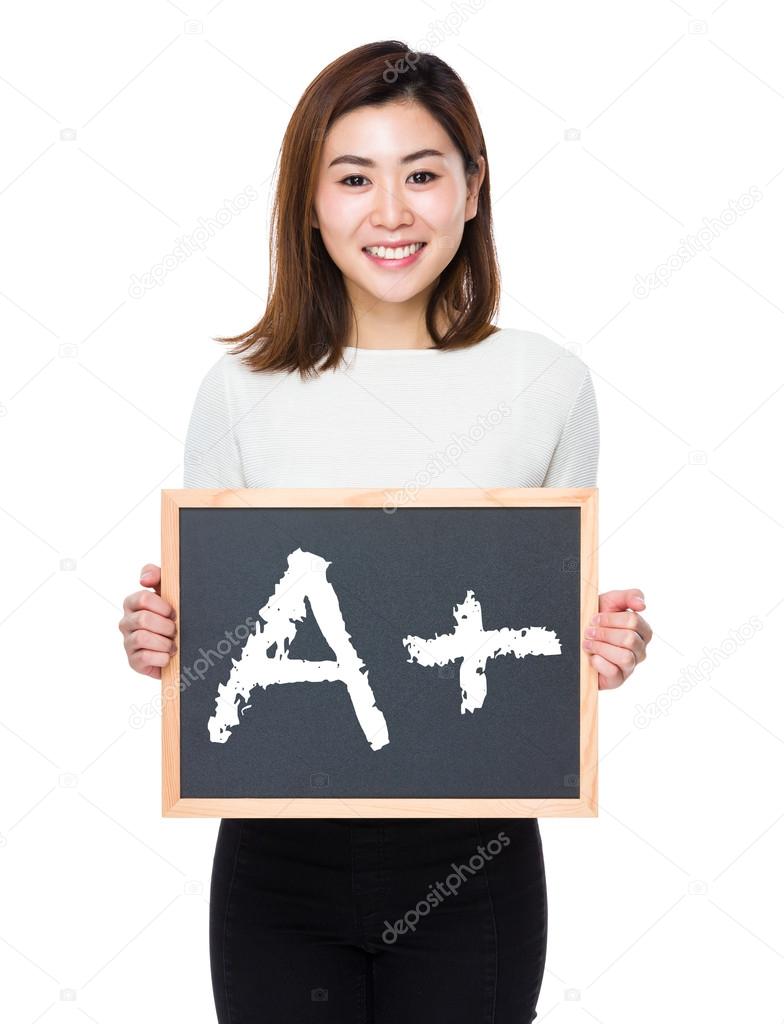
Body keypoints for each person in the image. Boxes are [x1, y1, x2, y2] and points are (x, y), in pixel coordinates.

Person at [118, 40, 652, 1024]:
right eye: (354, 177)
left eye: (422, 174)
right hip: (276, 864)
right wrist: (165, 639)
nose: (392, 212)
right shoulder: (241, 389)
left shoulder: (545, 383)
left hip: (473, 862)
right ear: (310, 200)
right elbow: (220, 641)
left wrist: (599, 647)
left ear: (472, 188)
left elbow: (540, 627)